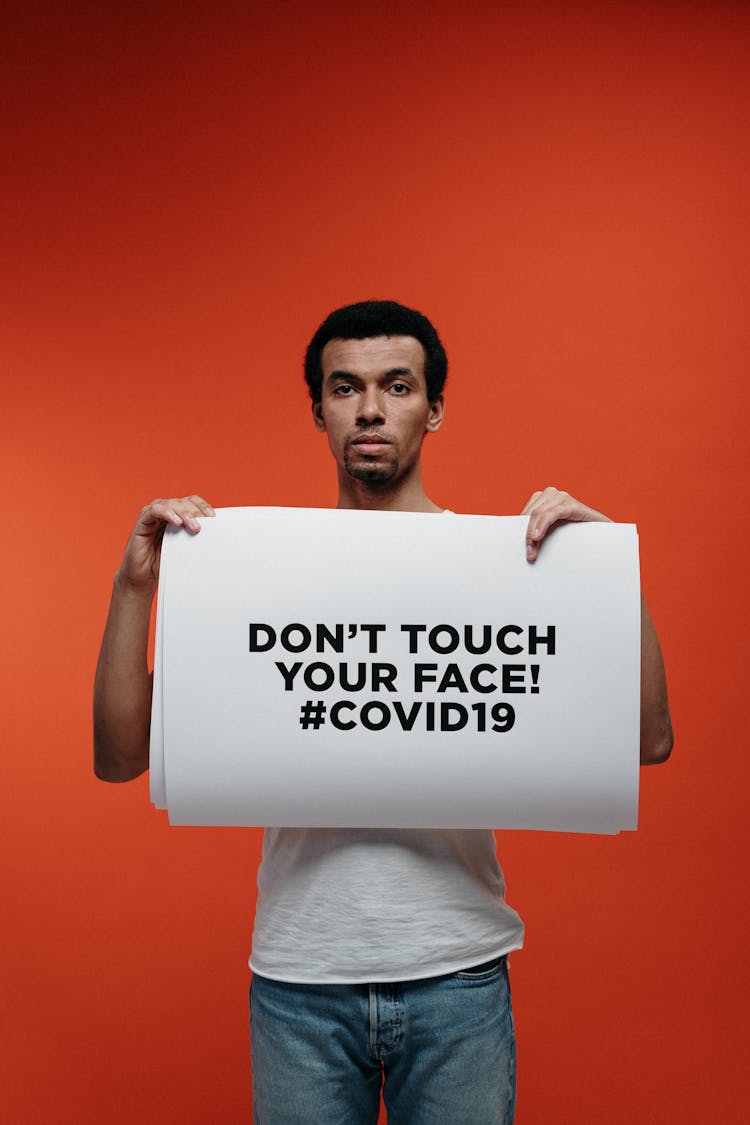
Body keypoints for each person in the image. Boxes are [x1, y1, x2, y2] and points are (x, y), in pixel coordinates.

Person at [94, 299, 673, 1124]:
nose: (370, 408)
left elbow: (648, 739)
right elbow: (119, 757)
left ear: (433, 407)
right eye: (346, 387)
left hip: (458, 975)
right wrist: (135, 585)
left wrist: (611, 573)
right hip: (299, 982)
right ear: (320, 411)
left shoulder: (509, 567)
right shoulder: (253, 572)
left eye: (396, 385)